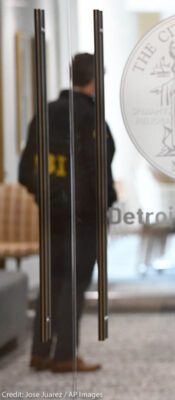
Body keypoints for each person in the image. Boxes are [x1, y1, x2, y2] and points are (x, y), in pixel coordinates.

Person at [19, 53, 117, 373]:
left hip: (52, 214)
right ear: (95, 81)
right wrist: (104, 203)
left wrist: (46, 197)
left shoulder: (45, 114)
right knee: (74, 282)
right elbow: (97, 169)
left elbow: (26, 171)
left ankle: (40, 353)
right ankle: (64, 355)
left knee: (53, 281)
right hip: (84, 216)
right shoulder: (90, 118)